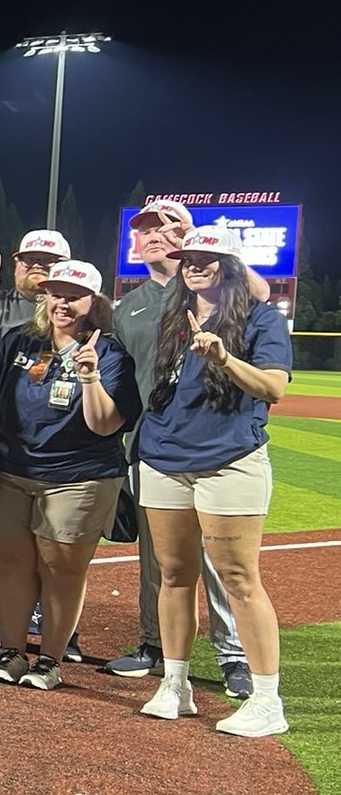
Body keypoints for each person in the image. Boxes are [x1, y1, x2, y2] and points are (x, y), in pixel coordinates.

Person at [133, 229, 293, 737]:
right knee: (174, 574)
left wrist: (225, 358)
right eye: (189, 260)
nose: (195, 266)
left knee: (240, 580)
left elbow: (274, 388)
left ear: (230, 265)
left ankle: (268, 700)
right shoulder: (172, 319)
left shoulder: (262, 319)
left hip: (229, 458)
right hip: (164, 458)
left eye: (207, 259)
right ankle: (175, 685)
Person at [0, 261, 141, 690]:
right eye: (56, 293)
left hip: (78, 476)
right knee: (12, 565)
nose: (63, 302)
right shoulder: (18, 342)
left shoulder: (110, 354)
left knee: (60, 568)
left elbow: (105, 425)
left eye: (74, 294)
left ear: (94, 302)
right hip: (10, 471)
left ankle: (50, 659)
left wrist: (90, 377)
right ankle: (11, 652)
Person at [106, 200, 252, 694]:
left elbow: (254, 291)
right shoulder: (127, 307)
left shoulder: (214, 286)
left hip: (215, 443)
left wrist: (196, 238)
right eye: (144, 230)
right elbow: (124, 384)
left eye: (166, 229)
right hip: (155, 446)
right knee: (160, 559)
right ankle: (153, 643)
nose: (154, 236)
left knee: (218, 557)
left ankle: (233, 654)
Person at [0, 229, 70, 651]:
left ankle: (59, 625)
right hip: (0, 443)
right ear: (16, 265)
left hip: (62, 449)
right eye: (30, 261)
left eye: (48, 262)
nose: (37, 268)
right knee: (3, 539)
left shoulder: (78, 310)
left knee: (57, 542)